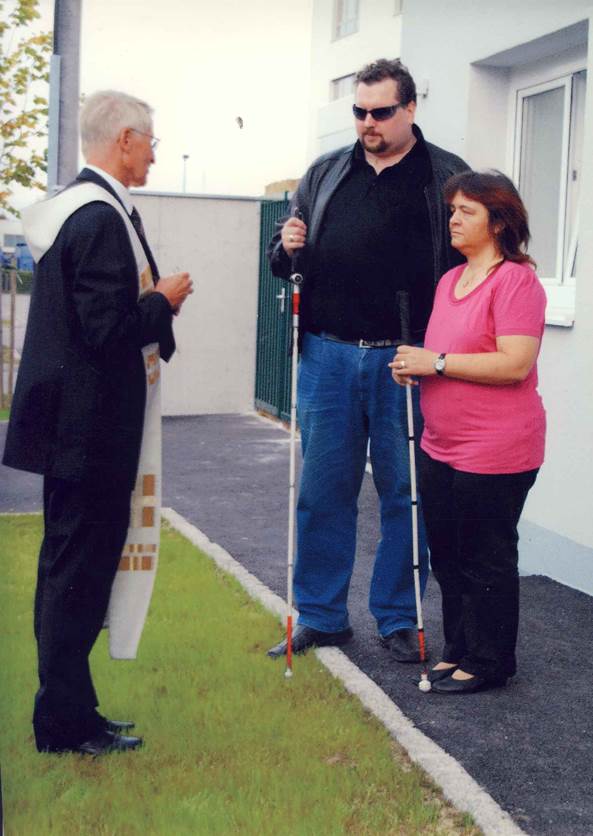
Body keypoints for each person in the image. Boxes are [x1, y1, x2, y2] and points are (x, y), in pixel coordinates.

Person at [2, 90, 193, 752]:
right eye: (151, 140)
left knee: (72, 572)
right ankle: (61, 724)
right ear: (124, 141)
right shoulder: (97, 218)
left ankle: (72, 711)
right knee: (75, 576)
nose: (154, 151)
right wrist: (161, 301)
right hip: (88, 434)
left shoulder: (87, 210)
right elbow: (105, 328)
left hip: (79, 429)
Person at [267, 58, 468, 661]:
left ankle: (398, 618)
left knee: (407, 493)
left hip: (405, 360)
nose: (368, 123)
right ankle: (322, 616)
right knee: (323, 490)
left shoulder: (448, 176)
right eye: (359, 112)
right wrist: (285, 244)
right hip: (327, 355)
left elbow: (475, 261)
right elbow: (285, 255)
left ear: (410, 109)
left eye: (381, 112)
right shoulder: (326, 172)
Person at [390, 170, 546, 693]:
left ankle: (490, 662)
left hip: (496, 449)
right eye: (452, 209)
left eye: (467, 211)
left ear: (499, 222)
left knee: (487, 558)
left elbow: (515, 364)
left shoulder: (516, 281)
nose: (453, 218)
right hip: (442, 446)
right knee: (450, 556)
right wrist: (416, 365)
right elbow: (446, 360)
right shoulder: (448, 281)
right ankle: (459, 650)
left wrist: (434, 362)